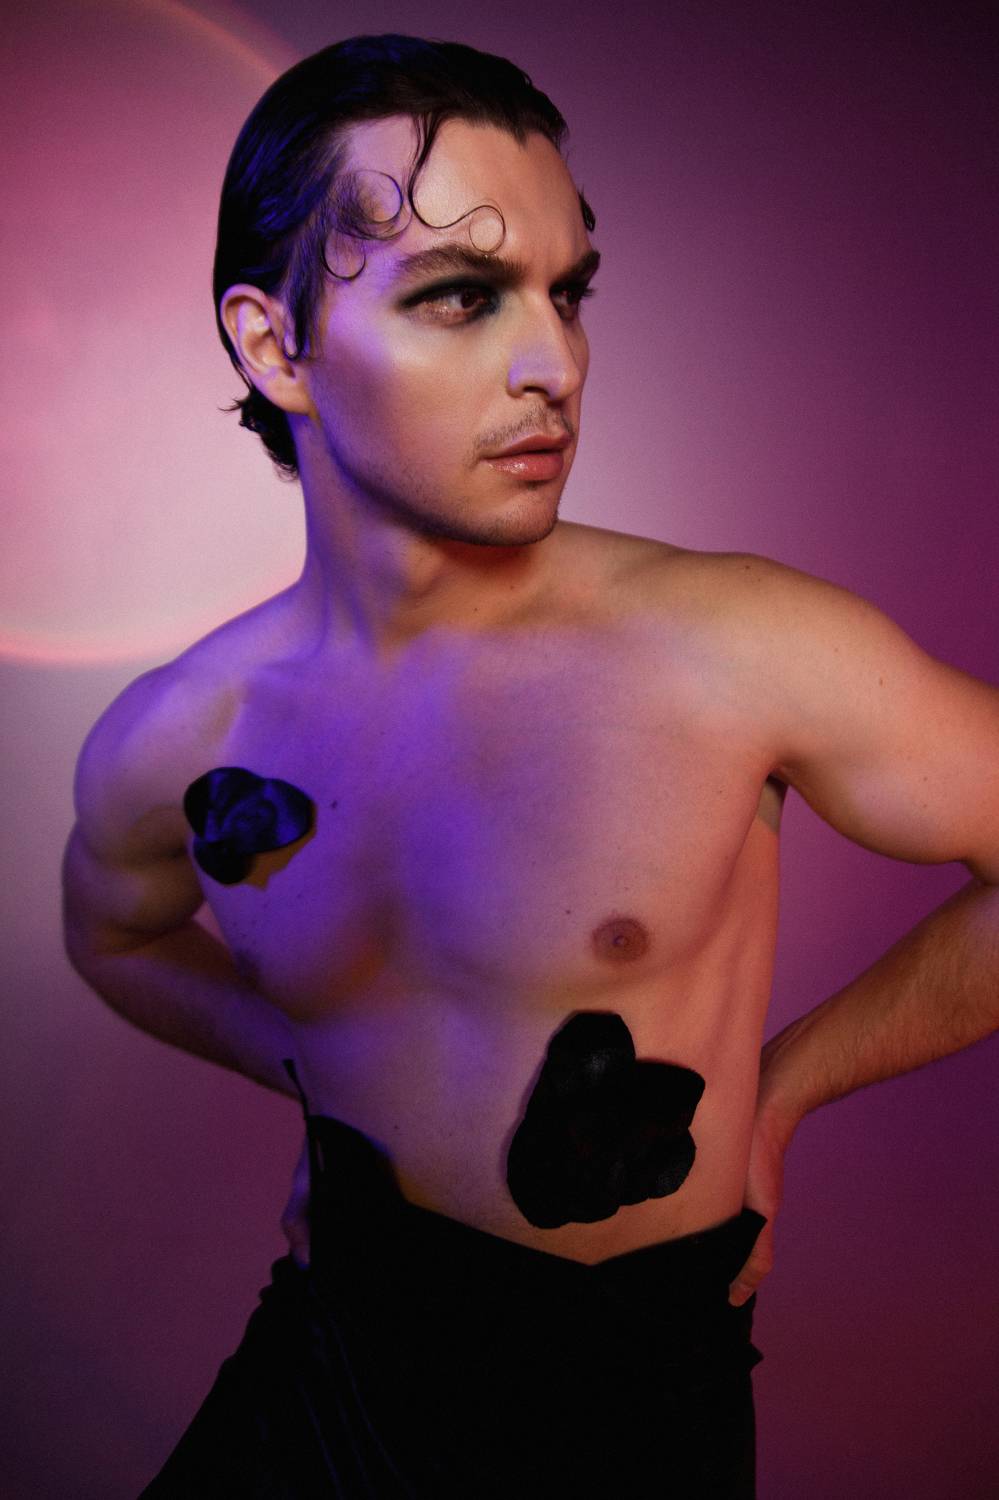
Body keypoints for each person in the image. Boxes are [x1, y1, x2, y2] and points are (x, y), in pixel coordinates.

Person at [61, 32, 999, 1500]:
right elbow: (110, 933)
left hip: (622, 1402)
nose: (554, 364)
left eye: (569, 293)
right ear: (276, 346)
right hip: (331, 1345)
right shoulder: (183, 735)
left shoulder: (736, 647)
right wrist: (314, 1067)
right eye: (460, 295)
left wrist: (784, 1092)